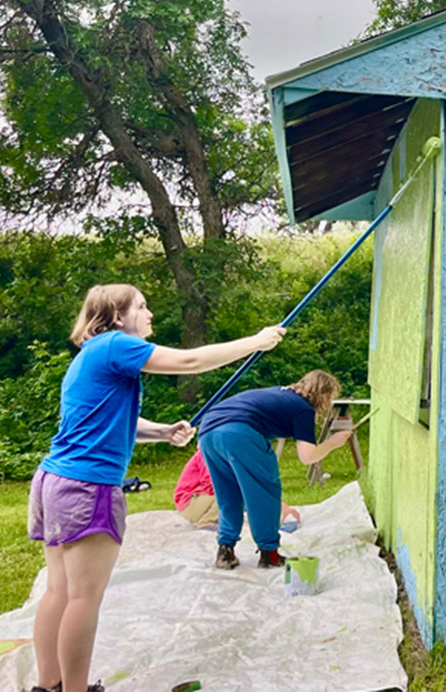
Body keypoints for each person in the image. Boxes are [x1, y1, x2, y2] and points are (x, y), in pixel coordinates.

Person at [28, 284, 286, 692]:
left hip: (53, 481)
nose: (150, 314)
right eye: (142, 307)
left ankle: (50, 686)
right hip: (87, 487)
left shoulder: (89, 356)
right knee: (83, 598)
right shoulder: (115, 344)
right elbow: (191, 360)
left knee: (59, 591)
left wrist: (163, 432)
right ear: (116, 316)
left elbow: (106, 421)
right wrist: (256, 342)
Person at [196, 369, 352, 570]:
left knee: (228, 493)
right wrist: (332, 443)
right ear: (322, 395)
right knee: (263, 492)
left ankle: (225, 552)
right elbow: (308, 457)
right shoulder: (302, 408)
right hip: (240, 432)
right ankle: (269, 555)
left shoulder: (280, 394)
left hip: (208, 432)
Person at [173, 449, 299, 531]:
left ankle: (270, 524)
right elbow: (212, 484)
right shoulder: (208, 452)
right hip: (190, 504)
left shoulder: (227, 454)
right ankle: (206, 522)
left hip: (203, 500)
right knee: (231, 493)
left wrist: (277, 505)